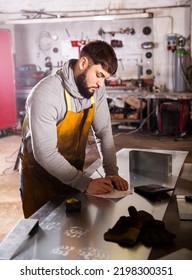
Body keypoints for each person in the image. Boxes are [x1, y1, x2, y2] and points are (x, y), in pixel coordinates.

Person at [20, 40, 128, 218]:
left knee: (74, 229)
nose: (101, 84)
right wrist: (84, 183)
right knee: (41, 236)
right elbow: (45, 153)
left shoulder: (96, 90)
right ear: (83, 63)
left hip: (72, 173)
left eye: (105, 79)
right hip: (39, 177)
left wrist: (112, 172)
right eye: (98, 75)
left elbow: (103, 132)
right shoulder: (46, 94)